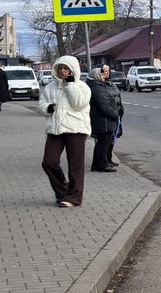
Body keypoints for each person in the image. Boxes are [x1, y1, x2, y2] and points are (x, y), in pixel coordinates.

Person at [39, 55, 92, 208]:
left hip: (76, 129)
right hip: (55, 128)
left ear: (73, 70)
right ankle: (63, 192)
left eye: (66, 69)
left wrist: (70, 86)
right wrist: (48, 108)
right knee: (49, 162)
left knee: (75, 164)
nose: (63, 71)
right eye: (61, 68)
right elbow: (41, 105)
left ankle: (74, 198)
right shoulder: (50, 87)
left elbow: (79, 104)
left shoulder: (82, 87)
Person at [86, 65, 121, 173]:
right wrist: (116, 114)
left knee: (101, 143)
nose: (103, 75)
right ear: (96, 75)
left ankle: (96, 164)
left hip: (101, 120)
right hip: (104, 121)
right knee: (103, 144)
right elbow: (104, 106)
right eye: (101, 73)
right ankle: (102, 165)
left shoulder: (97, 86)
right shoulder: (98, 88)